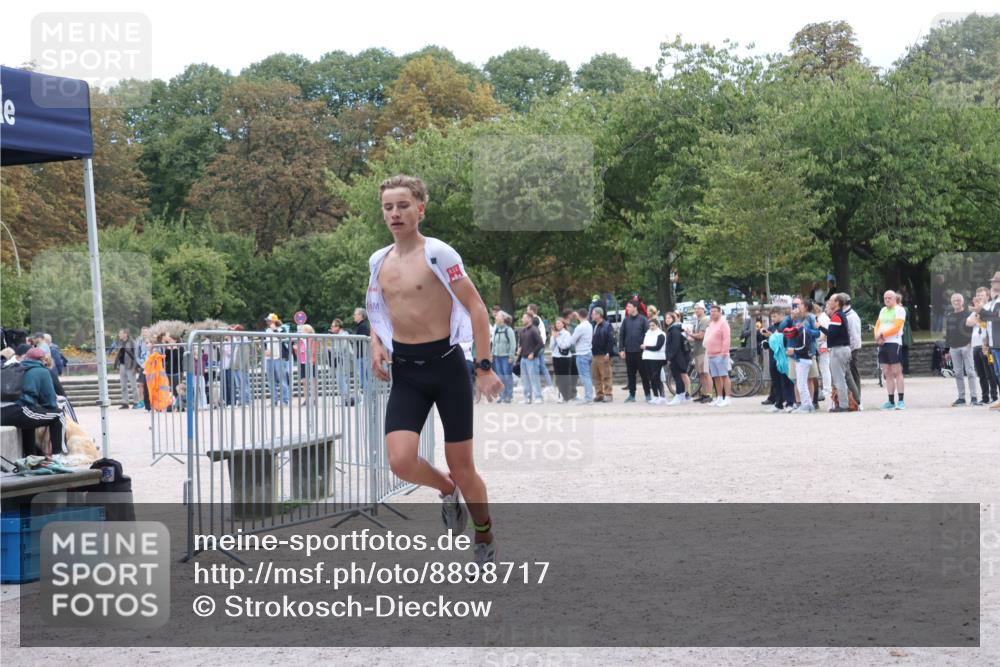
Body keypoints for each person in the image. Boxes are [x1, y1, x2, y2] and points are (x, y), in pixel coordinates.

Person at [366, 174, 502, 567]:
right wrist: (377, 343)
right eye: (388, 207)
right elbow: (379, 308)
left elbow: (477, 308)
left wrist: (484, 367)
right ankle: (446, 490)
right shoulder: (378, 260)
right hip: (407, 371)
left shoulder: (439, 253)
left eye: (403, 205)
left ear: (420, 209)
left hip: (446, 368)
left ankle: (484, 536)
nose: (395, 213)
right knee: (400, 461)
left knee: (464, 467)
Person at [0, 347, 64, 456]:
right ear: (43, 359)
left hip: (3, 412)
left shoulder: (17, 367)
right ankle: (57, 456)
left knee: (30, 417)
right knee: (58, 416)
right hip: (16, 411)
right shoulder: (42, 371)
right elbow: (50, 402)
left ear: (26, 357)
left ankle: (31, 456)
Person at [968, 271, 1000, 408]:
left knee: (995, 372)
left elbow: (995, 318)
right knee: (996, 372)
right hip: (992, 343)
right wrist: (985, 341)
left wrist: (980, 310)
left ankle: (994, 397)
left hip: (998, 342)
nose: (992, 283)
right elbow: (987, 322)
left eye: (995, 281)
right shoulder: (994, 303)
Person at [874, 290, 907, 409]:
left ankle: (901, 401)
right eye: (885, 298)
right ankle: (891, 401)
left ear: (894, 299)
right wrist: (877, 337)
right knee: (887, 372)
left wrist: (882, 335)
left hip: (894, 343)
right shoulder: (883, 310)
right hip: (883, 344)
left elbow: (897, 327)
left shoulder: (899, 310)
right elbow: (877, 325)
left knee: (897, 371)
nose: (887, 300)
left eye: (889, 298)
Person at [944, 292, 978, 406]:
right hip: (954, 348)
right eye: (954, 300)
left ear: (962, 301)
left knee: (970, 372)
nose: (956, 302)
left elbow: (973, 330)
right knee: (958, 373)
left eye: (958, 300)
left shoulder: (968, 314)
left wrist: (970, 343)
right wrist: (947, 350)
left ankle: (974, 397)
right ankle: (961, 398)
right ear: (951, 302)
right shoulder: (949, 316)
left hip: (966, 346)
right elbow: (948, 334)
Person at [786, 299, 821, 413]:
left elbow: (817, 333)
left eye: (800, 304)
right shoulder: (796, 319)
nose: (797, 306)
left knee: (805, 381)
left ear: (805, 307)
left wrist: (804, 329)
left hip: (805, 354)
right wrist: (791, 318)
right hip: (798, 354)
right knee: (799, 382)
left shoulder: (810, 319)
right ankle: (805, 404)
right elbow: (784, 328)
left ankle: (808, 405)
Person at [820, 294, 853, 412]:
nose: (828, 302)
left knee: (839, 379)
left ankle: (843, 405)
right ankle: (846, 403)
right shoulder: (839, 315)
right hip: (842, 349)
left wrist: (819, 327)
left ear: (837, 302)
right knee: (841, 379)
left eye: (831, 300)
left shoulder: (837, 316)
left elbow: (831, 333)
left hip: (839, 349)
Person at [619, 302, 650, 403]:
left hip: (640, 352)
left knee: (644, 374)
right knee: (630, 375)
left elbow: (648, 334)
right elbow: (621, 335)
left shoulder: (643, 319)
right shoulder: (626, 320)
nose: (627, 308)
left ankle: (648, 394)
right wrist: (621, 349)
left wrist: (646, 346)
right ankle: (632, 395)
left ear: (635, 308)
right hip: (629, 352)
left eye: (629, 307)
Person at [704, 304, 732, 407]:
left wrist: (724, 352)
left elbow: (726, 338)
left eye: (715, 311)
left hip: (720, 354)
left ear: (719, 312)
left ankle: (727, 398)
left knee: (724, 376)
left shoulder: (723, 323)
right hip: (711, 354)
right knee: (716, 377)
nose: (713, 313)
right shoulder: (711, 323)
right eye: (711, 311)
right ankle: (719, 397)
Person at [840, 293, 864, 410]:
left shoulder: (852, 317)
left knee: (853, 375)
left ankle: (857, 400)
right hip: (846, 349)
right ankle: (850, 399)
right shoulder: (845, 315)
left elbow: (855, 336)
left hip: (851, 350)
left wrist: (850, 351)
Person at [662, 312, 692, 405]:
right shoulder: (672, 329)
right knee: (678, 376)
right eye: (666, 318)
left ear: (673, 319)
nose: (667, 320)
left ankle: (679, 395)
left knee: (677, 377)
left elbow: (675, 345)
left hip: (677, 357)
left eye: (669, 318)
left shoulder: (674, 329)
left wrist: (669, 357)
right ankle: (681, 395)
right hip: (676, 356)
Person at [516, 311, 544, 404]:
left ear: (529, 319)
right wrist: (519, 351)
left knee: (534, 378)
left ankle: (538, 397)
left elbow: (540, 344)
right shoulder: (522, 331)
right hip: (523, 358)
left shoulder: (534, 330)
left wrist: (533, 353)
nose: (522, 319)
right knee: (525, 379)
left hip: (532, 359)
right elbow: (521, 344)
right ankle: (527, 397)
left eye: (524, 318)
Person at [687, 302, 713, 403]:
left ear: (703, 309)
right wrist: (688, 336)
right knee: (701, 374)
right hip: (698, 350)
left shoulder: (705, 320)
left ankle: (709, 394)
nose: (696, 310)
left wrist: (690, 334)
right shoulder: (698, 321)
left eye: (698, 308)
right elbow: (695, 337)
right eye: (695, 309)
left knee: (705, 373)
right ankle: (704, 394)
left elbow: (701, 336)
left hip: (703, 350)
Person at [263, 314, 291, 406]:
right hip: (269, 358)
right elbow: (265, 343)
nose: (267, 322)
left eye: (269, 320)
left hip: (279, 357)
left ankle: (285, 400)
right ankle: (274, 400)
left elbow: (283, 338)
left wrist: (274, 329)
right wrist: (265, 350)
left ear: (274, 321)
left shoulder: (281, 329)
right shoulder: (267, 330)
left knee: (282, 380)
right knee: (271, 381)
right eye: (267, 321)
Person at [590, 307, 615, 402]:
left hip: (603, 355)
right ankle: (599, 394)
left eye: (593, 313)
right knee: (595, 376)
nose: (591, 315)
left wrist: (608, 353)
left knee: (606, 375)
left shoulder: (607, 326)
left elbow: (611, 340)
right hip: (594, 354)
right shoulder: (593, 325)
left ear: (599, 315)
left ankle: (608, 394)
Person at [491, 311, 516, 404]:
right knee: (499, 377)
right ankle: (501, 395)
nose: (496, 317)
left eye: (498, 316)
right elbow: (494, 343)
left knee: (507, 376)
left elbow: (513, 344)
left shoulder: (508, 330)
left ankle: (509, 396)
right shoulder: (497, 330)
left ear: (503, 318)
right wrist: (492, 354)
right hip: (497, 357)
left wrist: (511, 356)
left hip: (506, 357)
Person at [570, 308, 594, 404]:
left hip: (581, 353)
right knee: (588, 376)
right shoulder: (589, 325)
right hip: (588, 351)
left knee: (584, 377)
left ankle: (588, 397)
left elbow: (572, 341)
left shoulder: (579, 327)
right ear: (587, 315)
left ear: (579, 316)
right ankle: (589, 395)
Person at [640, 318, 667, 405]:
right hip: (647, 357)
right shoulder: (648, 333)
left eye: (653, 325)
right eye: (650, 325)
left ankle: (662, 397)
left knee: (656, 377)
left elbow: (658, 347)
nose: (651, 327)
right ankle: (655, 395)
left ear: (657, 325)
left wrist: (646, 347)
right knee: (651, 378)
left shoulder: (661, 334)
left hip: (657, 358)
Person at [550, 317, 576, 403]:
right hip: (556, 357)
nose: (557, 325)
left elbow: (564, 346)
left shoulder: (566, 334)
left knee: (565, 377)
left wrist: (557, 338)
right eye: (556, 323)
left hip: (565, 358)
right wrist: (553, 338)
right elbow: (551, 347)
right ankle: (561, 395)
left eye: (559, 323)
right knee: (558, 378)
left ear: (563, 324)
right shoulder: (554, 334)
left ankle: (567, 396)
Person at [113, 329, 140, 409]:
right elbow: (119, 354)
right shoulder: (120, 343)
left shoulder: (132, 342)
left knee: (133, 385)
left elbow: (136, 355)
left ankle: (136, 402)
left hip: (130, 366)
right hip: (122, 365)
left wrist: (135, 367)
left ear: (126, 334)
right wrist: (117, 365)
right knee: (123, 386)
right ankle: (125, 403)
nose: (119, 335)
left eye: (121, 333)